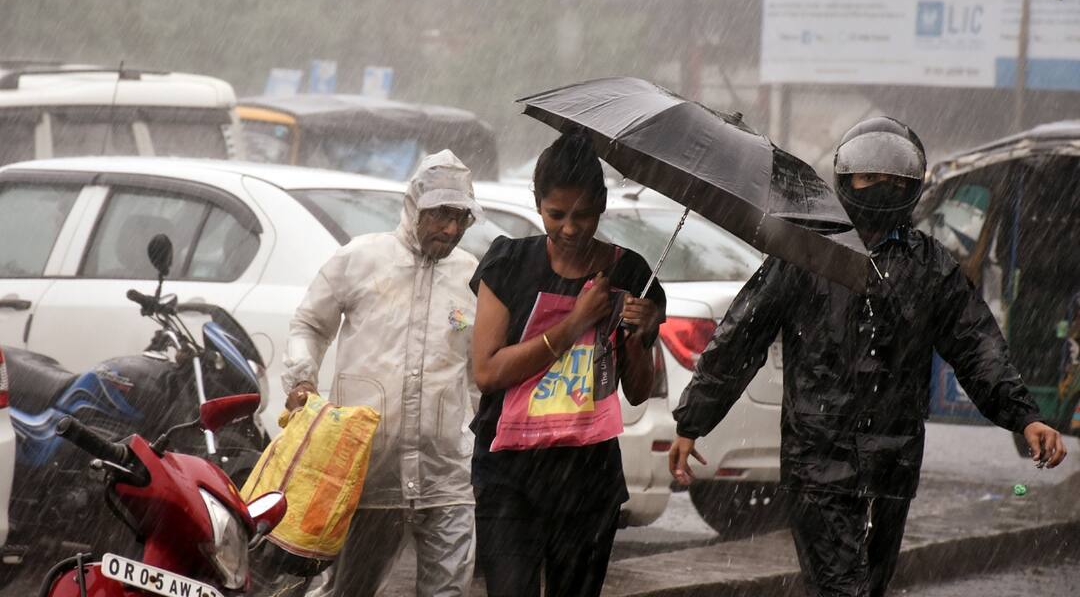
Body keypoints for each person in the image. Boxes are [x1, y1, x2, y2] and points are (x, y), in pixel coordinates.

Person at [669, 117, 1068, 597]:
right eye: (869, 177)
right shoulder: (806, 252)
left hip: (891, 468)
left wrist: (1024, 417)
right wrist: (693, 420)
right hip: (817, 464)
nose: (882, 188)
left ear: (912, 184)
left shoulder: (931, 267)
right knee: (843, 589)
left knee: (867, 588)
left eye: (894, 178)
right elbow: (741, 336)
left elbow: (978, 347)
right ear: (846, 179)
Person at [469, 130, 666, 597]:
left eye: (583, 215)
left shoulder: (632, 274)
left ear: (601, 206)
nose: (571, 229)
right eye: (556, 215)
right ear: (537, 205)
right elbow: (488, 371)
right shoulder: (508, 263)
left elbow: (637, 391)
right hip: (509, 475)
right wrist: (576, 321)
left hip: (587, 478)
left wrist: (641, 337)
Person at [281, 150, 483, 597]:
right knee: (350, 589)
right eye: (440, 215)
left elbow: (477, 373)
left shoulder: (472, 277)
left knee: (448, 591)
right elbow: (310, 325)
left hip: (446, 475)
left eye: (460, 218)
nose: (450, 229)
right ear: (414, 206)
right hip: (366, 474)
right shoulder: (361, 260)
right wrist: (301, 380)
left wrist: (484, 447)